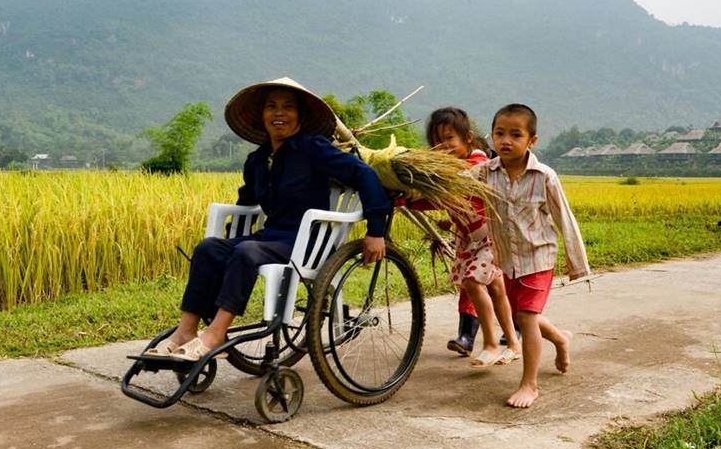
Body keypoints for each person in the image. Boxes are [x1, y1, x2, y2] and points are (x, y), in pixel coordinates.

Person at [151, 77, 391, 361]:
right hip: (271, 237)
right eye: (272, 107)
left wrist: (376, 230)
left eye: (288, 107)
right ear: (261, 115)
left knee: (246, 250)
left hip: (306, 242)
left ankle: (215, 335)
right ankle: (185, 332)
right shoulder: (258, 159)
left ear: (300, 116)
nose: (279, 113)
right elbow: (247, 202)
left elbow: (363, 174)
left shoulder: (313, 149)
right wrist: (226, 241)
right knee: (209, 248)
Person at [473, 103, 590, 408]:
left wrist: (576, 263)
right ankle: (560, 339)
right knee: (523, 316)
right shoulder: (486, 172)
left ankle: (530, 384)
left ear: (531, 141)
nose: (506, 141)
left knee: (525, 317)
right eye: (499, 133)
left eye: (515, 134)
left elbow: (565, 218)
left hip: (539, 259)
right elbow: (455, 182)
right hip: (508, 260)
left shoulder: (544, 177)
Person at [411, 107, 521, 366]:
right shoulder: (451, 170)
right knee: (495, 288)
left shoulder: (479, 163)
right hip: (468, 240)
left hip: (491, 237)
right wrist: (406, 199)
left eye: (449, 138)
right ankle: (514, 343)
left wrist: (426, 182)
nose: (443, 146)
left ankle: (492, 344)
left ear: (468, 138)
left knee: (473, 282)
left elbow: (458, 181)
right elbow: (436, 200)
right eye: (437, 141)